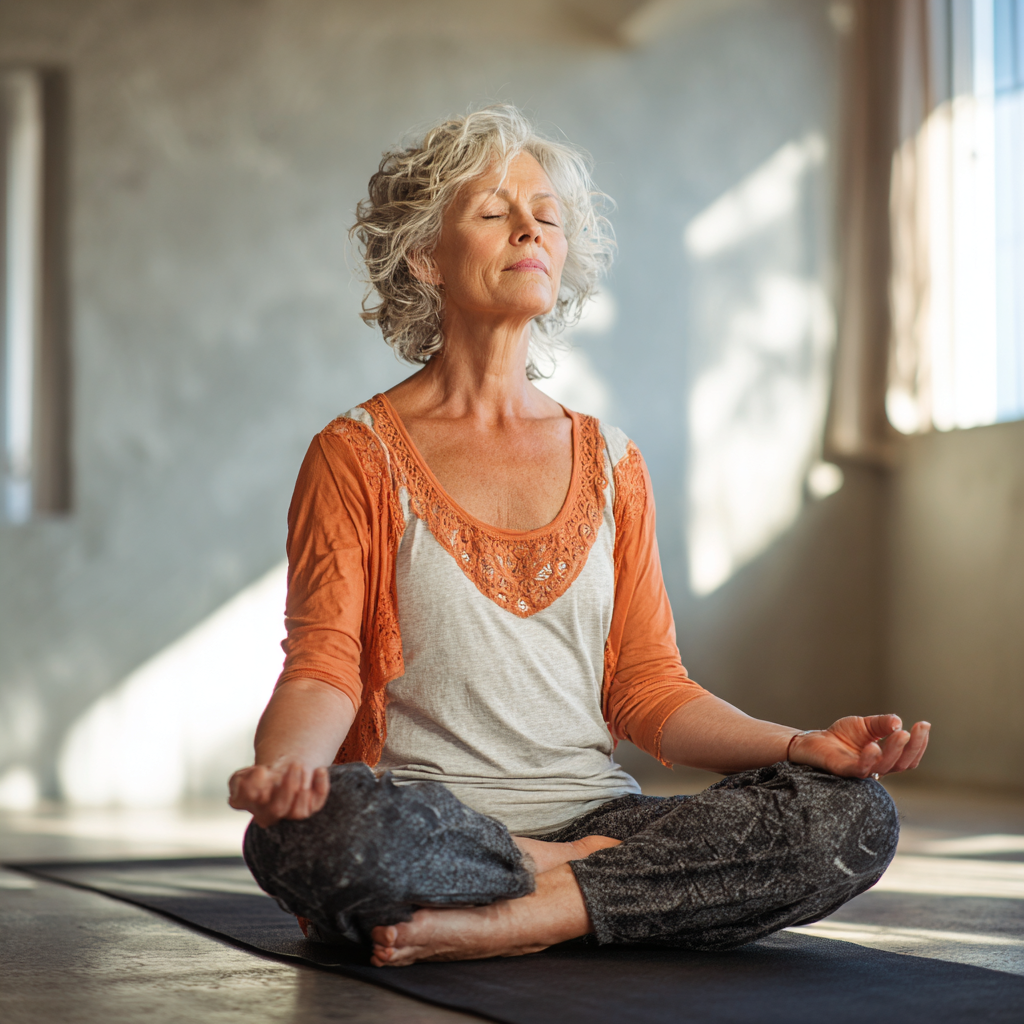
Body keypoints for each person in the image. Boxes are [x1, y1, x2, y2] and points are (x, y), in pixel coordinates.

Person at [228, 105, 930, 968]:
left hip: (595, 811)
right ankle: (600, 886)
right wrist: (285, 775)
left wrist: (798, 746)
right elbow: (323, 662)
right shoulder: (355, 454)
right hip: (430, 817)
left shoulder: (612, 462)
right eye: (492, 212)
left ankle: (533, 908)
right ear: (424, 258)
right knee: (305, 841)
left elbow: (650, 690)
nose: (530, 228)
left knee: (852, 816)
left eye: (547, 216)